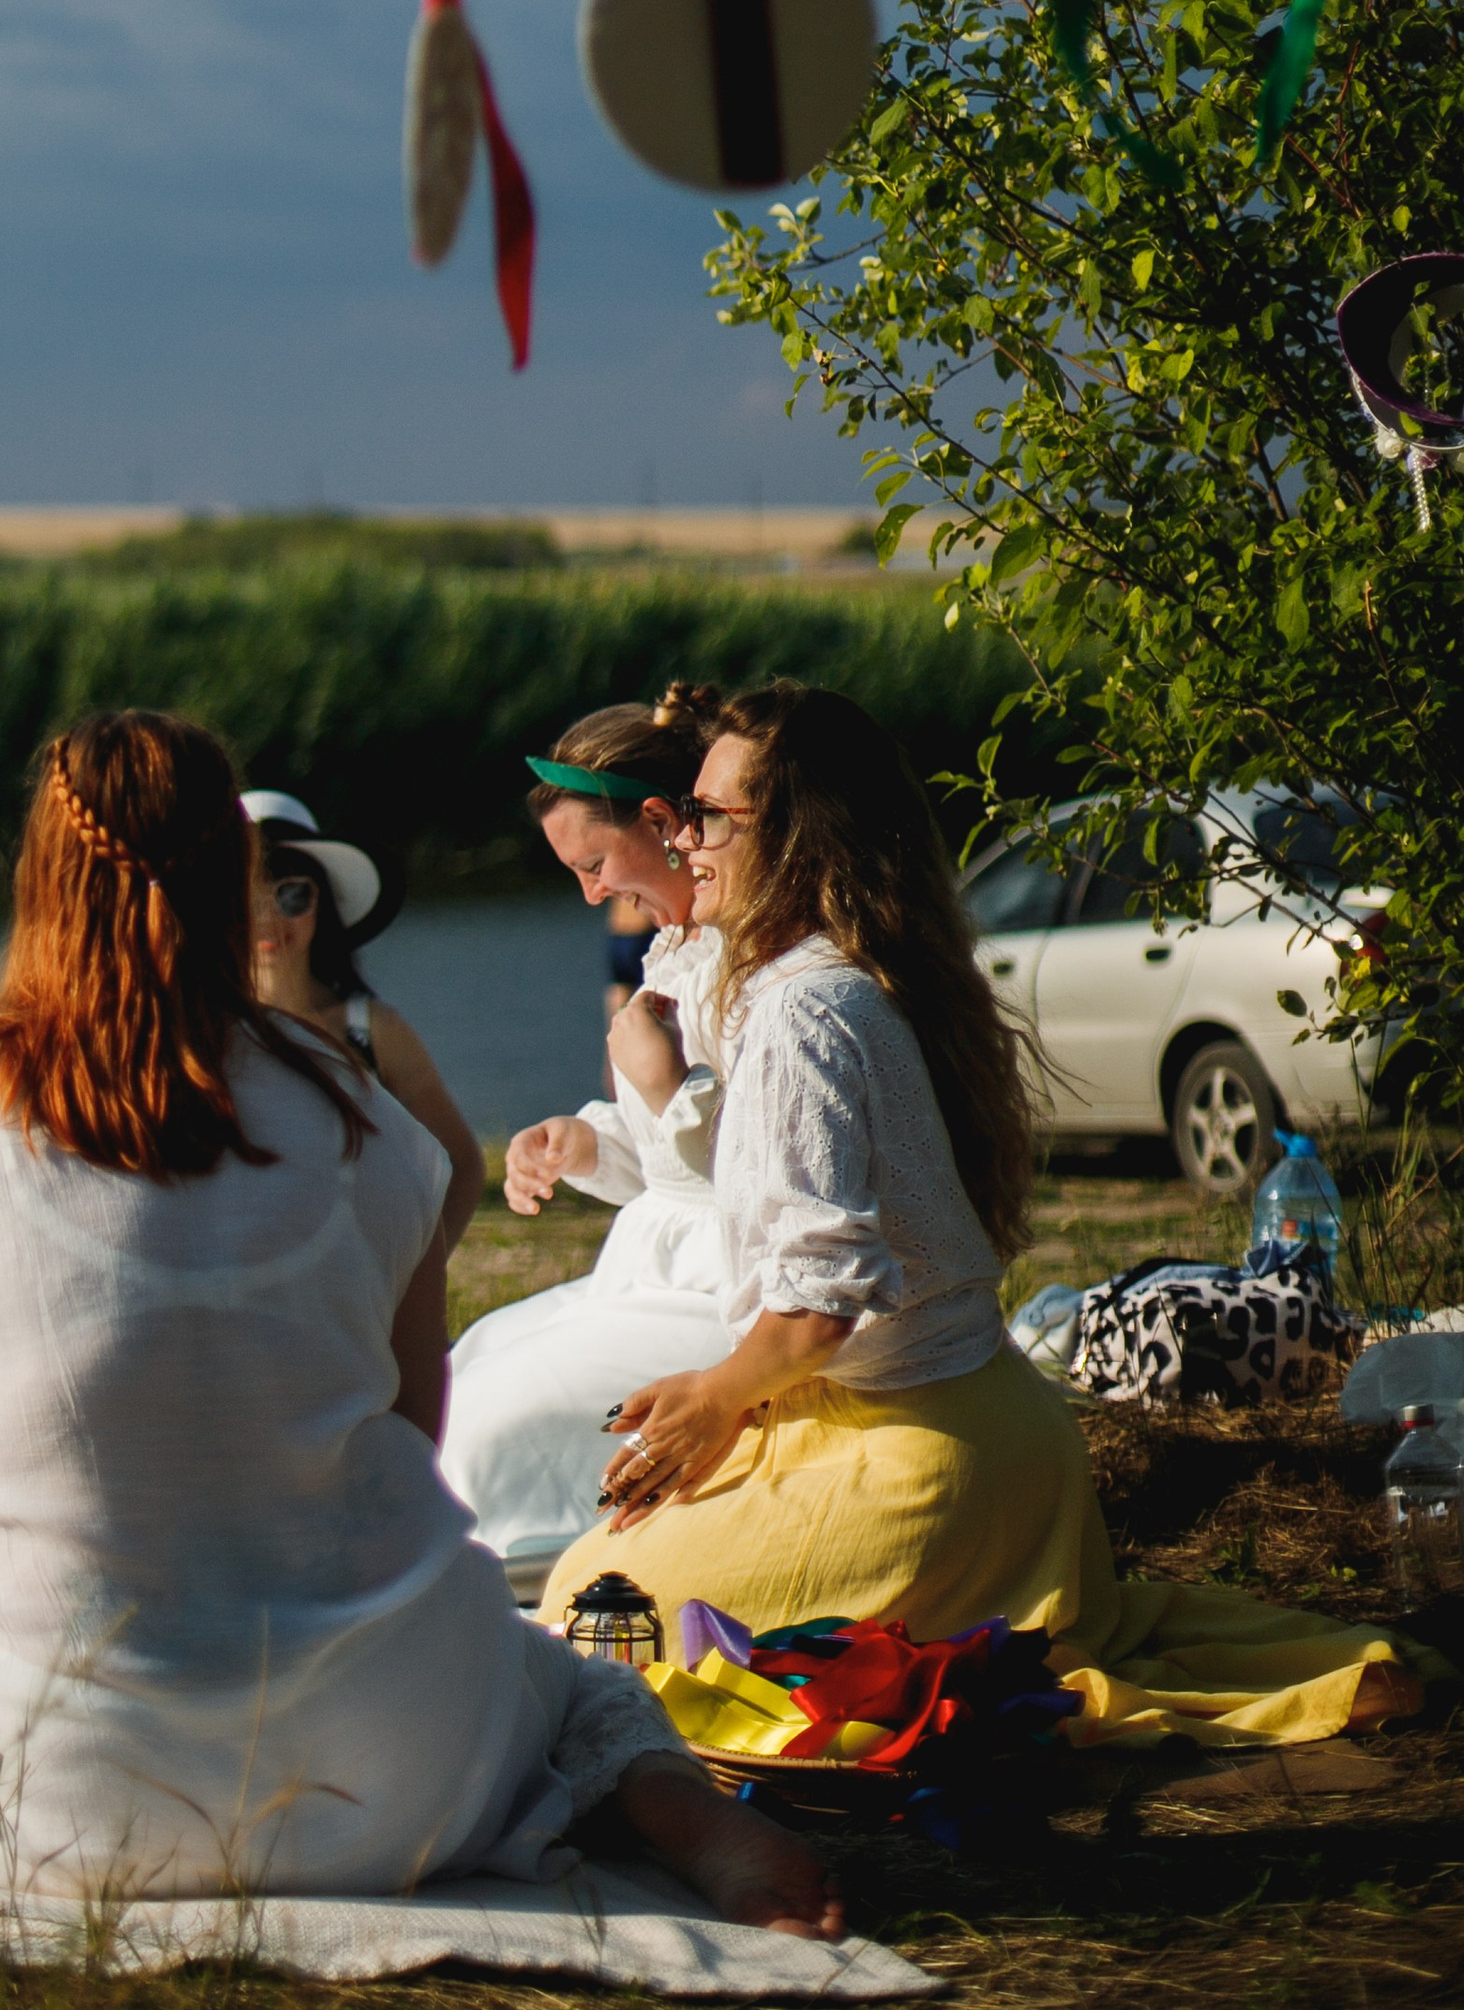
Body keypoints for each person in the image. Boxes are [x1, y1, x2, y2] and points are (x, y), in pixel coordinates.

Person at [0, 710, 839, 1928]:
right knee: (554, 1672)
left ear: (38, 881)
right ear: (233, 882)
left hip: (50, 1792)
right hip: (381, 1773)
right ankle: (672, 1807)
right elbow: (411, 1430)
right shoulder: (351, 1111)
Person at [539, 686, 1424, 1747]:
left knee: (591, 1613)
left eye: (709, 815)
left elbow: (817, 1310)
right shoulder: (834, 977)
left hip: (924, 1464)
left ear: (798, 836)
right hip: (981, 1430)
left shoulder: (801, 1012)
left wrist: (711, 1397)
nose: (685, 838)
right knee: (597, 1602)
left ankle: (1305, 1685)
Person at [441, 693, 737, 1568]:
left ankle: (528, 1582)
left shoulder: (753, 959)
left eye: (596, 863)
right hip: (656, 1269)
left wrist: (667, 1084)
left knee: (491, 1423)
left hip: (731, 1287)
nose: (592, 893)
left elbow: (775, 1173)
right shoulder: (675, 949)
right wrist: (587, 1142)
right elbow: (667, 1160)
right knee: (462, 1365)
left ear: (662, 823)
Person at [243, 787, 483, 1247]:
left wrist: (415, 1276)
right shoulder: (198, 1035)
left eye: (291, 895)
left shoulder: (372, 1030)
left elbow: (461, 1165)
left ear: (323, 903)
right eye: (245, 899)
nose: (269, 917)